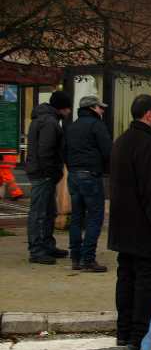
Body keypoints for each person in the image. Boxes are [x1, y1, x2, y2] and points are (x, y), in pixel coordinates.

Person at [108, 94, 151, 350]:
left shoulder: (121, 142)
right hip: (145, 229)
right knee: (147, 282)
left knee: (125, 278)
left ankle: (123, 331)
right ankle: (139, 336)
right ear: (149, 115)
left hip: (122, 225)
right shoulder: (149, 145)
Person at [64, 95, 112, 272]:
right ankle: (88, 258)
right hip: (91, 175)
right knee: (94, 217)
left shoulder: (72, 126)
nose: (102, 110)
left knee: (77, 217)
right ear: (92, 108)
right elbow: (108, 151)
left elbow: (64, 151)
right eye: (100, 107)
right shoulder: (97, 125)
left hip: (74, 175)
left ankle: (75, 257)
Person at [25, 90, 72, 264]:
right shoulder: (50, 122)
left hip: (41, 171)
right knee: (40, 212)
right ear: (62, 108)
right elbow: (46, 150)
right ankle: (37, 249)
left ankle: (46, 245)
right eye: (67, 108)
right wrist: (52, 172)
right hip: (43, 173)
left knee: (47, 210)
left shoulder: (42, 119)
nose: (69, 113)